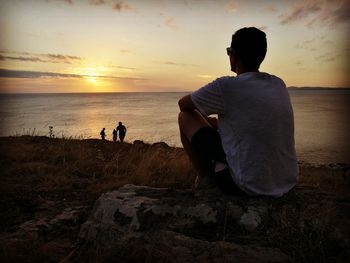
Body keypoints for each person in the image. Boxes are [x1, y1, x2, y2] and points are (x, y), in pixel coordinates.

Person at [178, 27, 298, 197]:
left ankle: (205, 180)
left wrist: (205, 118)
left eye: (229, 52)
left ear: (233, 54)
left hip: (246, 187)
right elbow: (255, 120)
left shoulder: (226, 86)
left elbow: (183, 104)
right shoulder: (278, 84)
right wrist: (219, 124)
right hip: (286, 183)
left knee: (185, 117)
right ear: (261, 56)